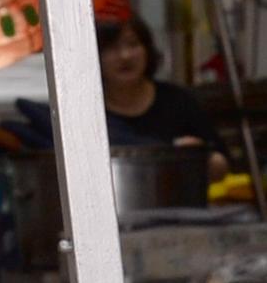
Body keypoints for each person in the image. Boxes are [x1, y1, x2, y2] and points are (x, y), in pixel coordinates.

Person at [94, 11, 221, 168]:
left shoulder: (178, 101)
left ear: (147, 50)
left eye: (133, 44)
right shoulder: (87, 111)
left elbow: (221, 163)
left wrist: (197, 156)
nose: (125, 56)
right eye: (112, 48)